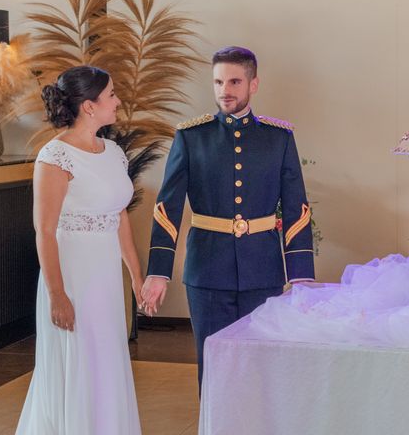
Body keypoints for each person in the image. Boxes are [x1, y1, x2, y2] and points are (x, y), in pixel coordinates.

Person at [141, 46, 315, 390]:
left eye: (234, 81)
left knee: (260, 367)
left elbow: (297, 208)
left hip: (262, 271)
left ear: (254, 84)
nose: (225, 90)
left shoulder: (278, 138)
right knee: (214, 367)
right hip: (206, 271)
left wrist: (301, 277)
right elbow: (168, 207)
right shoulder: (192, 137)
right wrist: (158, 272)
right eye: (218, 82)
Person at [16, 66, 143, 434]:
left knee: (107, 362)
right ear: (89, 106)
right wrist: (57, 295)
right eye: (112, 95)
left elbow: (118, 217)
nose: (118, 101)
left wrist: (135, 277)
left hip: (104, 280)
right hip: (72, 279)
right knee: (79, 364)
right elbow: (44, 230)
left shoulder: (114, 152)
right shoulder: (55, 157)